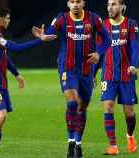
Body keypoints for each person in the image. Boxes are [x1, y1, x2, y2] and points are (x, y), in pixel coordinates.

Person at [0, 7, 56, 158]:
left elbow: (3, 57)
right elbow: (16, 47)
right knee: (1, 115)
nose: (8, 21)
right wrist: (39, 40)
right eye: (7, 18)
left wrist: (16, 74)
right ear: (0, 19)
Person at [43, 0, 110, 157]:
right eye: (72, 1)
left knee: (82, 107)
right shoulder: (62, 19)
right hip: (67, 67)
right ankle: (71, 142)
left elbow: (106, 39)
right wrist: (43, 36)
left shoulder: (93, 19)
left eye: (78, 1)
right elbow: (50, 32)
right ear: (68, 4)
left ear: (83, 3)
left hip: (86, 69)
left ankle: (78, 144)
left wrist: (98, 53)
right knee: (72, 102)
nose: (75, 4)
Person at [94, 0, 139, 155]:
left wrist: (134, 65)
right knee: (107, 107)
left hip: (126, 75)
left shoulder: (131, 24)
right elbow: (98, 52)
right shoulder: (103, 26)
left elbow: (135, 47)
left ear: (122, 7)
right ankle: (113, 146)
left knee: (129, 113)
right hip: (108, 75)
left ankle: (130, 135)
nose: (110, 7)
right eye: (108, 4)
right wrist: (93, 73)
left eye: (114, 4)